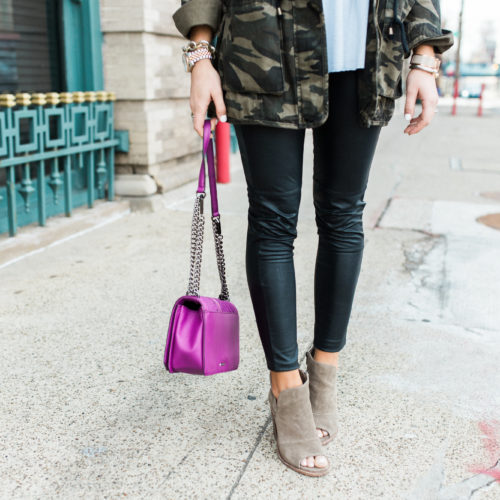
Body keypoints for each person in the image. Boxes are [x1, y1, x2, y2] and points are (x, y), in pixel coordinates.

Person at [172, 0, 453, 477]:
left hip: (366, 51)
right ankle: (285, 384)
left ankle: (324, 373)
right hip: (263, 47)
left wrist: (425, 53)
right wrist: (201, 54)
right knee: (273, 220)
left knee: (345, 217)